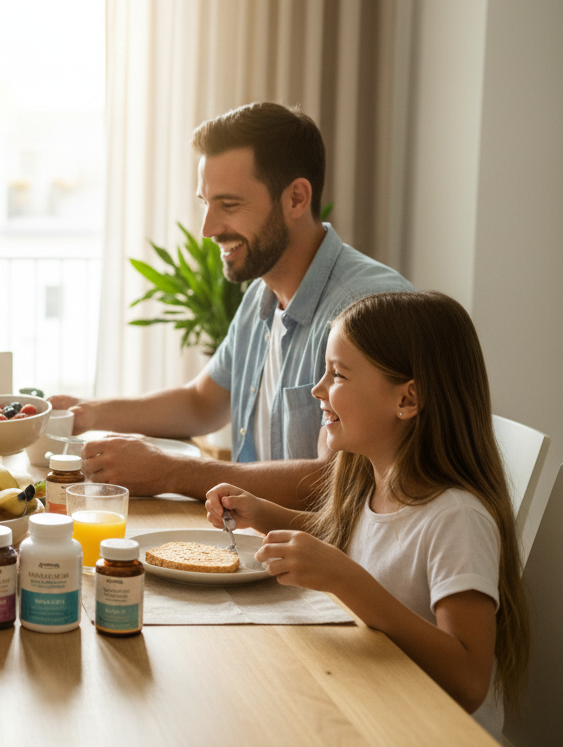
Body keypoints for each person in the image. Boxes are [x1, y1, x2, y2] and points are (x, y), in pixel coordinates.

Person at [51, 102, 411, 507]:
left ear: (296, 198)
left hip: (314, 558)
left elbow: (338, 482)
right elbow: (202, 403)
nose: (208, 229)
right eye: (206, 203)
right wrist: (89, 412)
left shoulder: (364, 310)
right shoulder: (263, 291)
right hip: (255, 537)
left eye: (229, 205)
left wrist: (171, 471)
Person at [204, 291, 528, 738]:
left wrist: (347, 582)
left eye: (337, 375)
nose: (318, 389)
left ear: (407, 399)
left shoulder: (457, 518)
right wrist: (262, 513)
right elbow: (349, 540)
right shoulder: (368, 478)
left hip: (432, 731)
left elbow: (469, 681)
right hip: (377, 701)